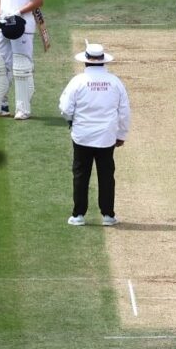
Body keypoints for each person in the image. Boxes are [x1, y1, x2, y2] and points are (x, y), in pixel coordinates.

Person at [59, 43, 131, 227]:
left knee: (81, 175)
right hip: (107, 137)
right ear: (103, 62)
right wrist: (121, 134)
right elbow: (124, 112)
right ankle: (108, 215)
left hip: (82, 136)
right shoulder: (115, 82)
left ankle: (78, 215)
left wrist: (71, 121)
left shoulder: (77, 82)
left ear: (86, 62)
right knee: (106, 175)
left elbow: (65, 108)